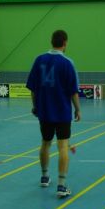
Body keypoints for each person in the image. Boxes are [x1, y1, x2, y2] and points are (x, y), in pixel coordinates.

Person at [26, 29, 81, 198]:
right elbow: (73, 91)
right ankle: (61, 185)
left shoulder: (39, 60)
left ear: (51, 42)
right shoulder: (67, 63)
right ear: (65, 43)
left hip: (44, 111)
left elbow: (33, 89)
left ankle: (44, 177)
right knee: (63, 146)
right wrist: (78, 109)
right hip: (62, 112)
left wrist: (35, 106)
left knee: (45, 143)